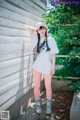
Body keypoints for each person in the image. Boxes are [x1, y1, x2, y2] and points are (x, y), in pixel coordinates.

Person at [28, 22, 59, 114]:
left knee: (48, 87)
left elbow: (53, 55)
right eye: (40, 29)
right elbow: (28, 29)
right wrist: (36, 30)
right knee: (37, 86)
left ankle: (48, 106)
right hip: (37, 67)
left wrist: (53, 67)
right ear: (38, 30)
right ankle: (38, 105)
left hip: (47, 67)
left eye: (43, 28)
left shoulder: (51, 39)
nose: (42, 30)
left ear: (46, 29)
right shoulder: (36, 39)